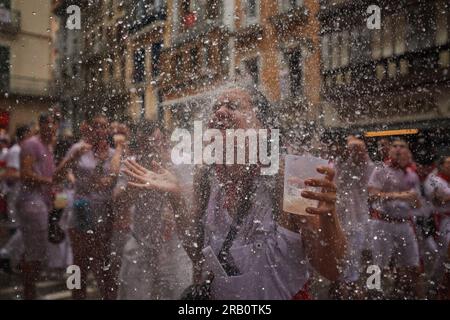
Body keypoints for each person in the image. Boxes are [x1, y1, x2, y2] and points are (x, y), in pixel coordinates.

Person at [123, 85, 346, 300]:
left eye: (233, 106)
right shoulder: (206, 178)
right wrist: (176, 197)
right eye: (216, 107)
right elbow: (200, 257)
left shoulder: (287, 178)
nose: (219, 111)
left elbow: (332, 270)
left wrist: (329, 218)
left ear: (264, 129)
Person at [116, 120, 192, 299]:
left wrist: (175, 192)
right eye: (145, 145)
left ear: (164, 141)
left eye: (155, 142)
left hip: (174, 248)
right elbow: (118, 202)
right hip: (141, 244)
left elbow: (193, 199)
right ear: (138, 144)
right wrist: (133, 187)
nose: (150, 150)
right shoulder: (132, 165)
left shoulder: (180, 162)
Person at [54, 115, 120, 300]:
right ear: (89, 128)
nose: (100, 130)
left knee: (105, 265)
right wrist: (73, 158)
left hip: (105, 213)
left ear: (108, 130)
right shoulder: (78, 149)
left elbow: (111, 181)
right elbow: (56, 176)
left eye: (104, 126)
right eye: (96, 126)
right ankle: (76, 296)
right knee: (79, 263)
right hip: (81, 211)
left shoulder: (114, 154)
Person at [368, 146, 422, 299]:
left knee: (412, 264)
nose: (402, 155)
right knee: (378, 264)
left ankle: (410, 293)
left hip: (405, 223)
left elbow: (417, 202)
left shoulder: (411, 174)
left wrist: (408, 197)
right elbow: (372, 194)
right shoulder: (381, 169)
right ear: (391, 154)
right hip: (382, 222)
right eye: (397, 152)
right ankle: (373, 292)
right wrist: (400, 195)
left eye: (405, 152)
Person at [17, 113, 58, 299]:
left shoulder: (48, 146)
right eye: (47, 123)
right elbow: (25, 173)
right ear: (40, 125)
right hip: (31, 203)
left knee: (37, 252)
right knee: (34, 253)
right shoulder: (31, 144)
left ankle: (30, 291)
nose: (51, 127)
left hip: (41, 203)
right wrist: (48, 180)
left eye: (54, 123)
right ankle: (29, 292)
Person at [334, 135, 375, 299]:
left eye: (359, 150)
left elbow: (362, 157)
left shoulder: (367, 166)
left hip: (359, 221)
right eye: (351, 149)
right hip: (340, 220)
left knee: (357, 258)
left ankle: (357, 289)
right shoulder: (338, 164)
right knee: (342, 258)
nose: (354, 152)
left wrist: (354, 145)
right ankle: (342, 288)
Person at [0, 125, 32, 274]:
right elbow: (10, 173)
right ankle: (7, 256)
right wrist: (30, 175)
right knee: (21, 227)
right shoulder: (16, 151)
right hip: (17, 193)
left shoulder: (23, 150)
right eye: (30, 135)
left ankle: (12, 258)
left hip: (23, 193)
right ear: (23, 136)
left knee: (24, 228)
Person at [424, 155, 450, 298]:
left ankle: (439, 284)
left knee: (443, 256)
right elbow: (437, 200)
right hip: (443, 219)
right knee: (443, 253)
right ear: (441, 165)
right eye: (448, 163)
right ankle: (435, 284)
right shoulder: (434, 179)